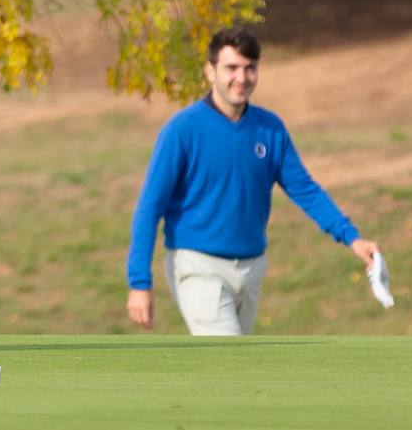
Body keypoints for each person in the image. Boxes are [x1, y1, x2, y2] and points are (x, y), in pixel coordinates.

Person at [125, 25, 379, 336]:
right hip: (197, 266)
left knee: (233, 372)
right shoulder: (182, 131)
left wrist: (352, 238)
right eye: (231, 68)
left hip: (252, 268)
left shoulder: (270, 129)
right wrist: (139, 283)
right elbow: (149, 209)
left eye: (250, 68)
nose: (241, 78)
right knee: (227, 363)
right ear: (210, 71)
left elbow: (306, 192)